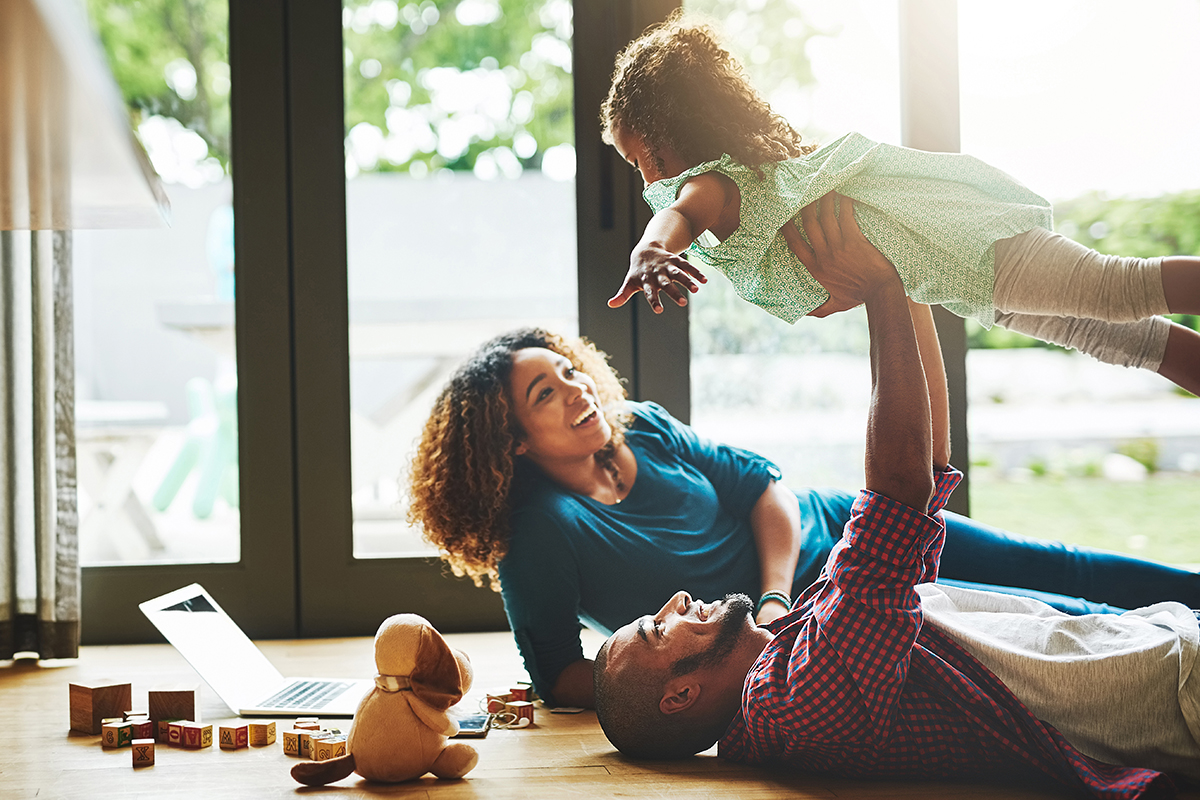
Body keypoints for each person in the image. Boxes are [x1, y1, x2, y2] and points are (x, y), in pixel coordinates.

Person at [406, 225, 1200, 711]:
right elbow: (562, 676)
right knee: (1053, 622)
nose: (578, 389)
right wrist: (712, 685)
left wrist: (777, 595)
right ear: (510, 440)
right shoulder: (539, 535)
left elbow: (764, 486)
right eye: (548, 393)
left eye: (572, 371)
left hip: (844, 533)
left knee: (1065, 567)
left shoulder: (639, 426)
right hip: (820, 625)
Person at [592, 200, 1198, 797]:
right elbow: (898, 495)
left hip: (1159, 648)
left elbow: (926, 479)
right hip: (1171, 692)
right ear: (680, 696)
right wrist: (879, 290)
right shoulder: (793, 701)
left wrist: (905, 284)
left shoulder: (793, 651)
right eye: (654, 629)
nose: (672, 601)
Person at [600, 14, 1200, 396]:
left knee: (1121, 288)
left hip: (971, 247)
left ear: (674, 129)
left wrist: (651, 251)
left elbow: (676, 216)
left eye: (641, 160)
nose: (646, 179)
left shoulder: (715, 186)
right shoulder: (759, 186)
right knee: (1125, 339)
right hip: (962, 278)